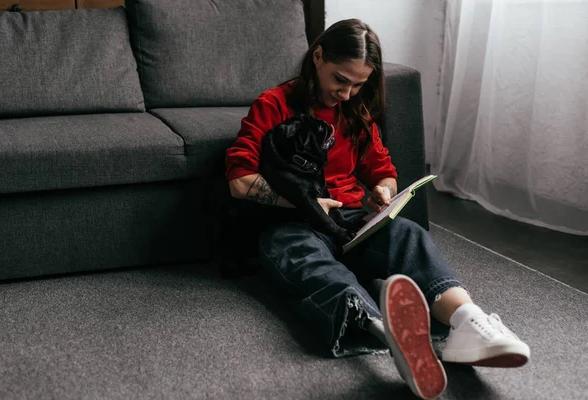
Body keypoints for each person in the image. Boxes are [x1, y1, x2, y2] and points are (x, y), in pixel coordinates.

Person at [225, 19, 530, 400]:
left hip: (352, 218)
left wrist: (383, 195)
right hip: (293, 222)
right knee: (305, 259)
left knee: (408, 234)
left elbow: (383, 172)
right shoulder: (273, 105)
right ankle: (386, 332)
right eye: (340, 79)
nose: (348, 93)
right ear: (317, 56)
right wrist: (300, 201)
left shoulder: (355, 112)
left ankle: (469, 322)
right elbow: (240, 181)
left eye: (358, 84)